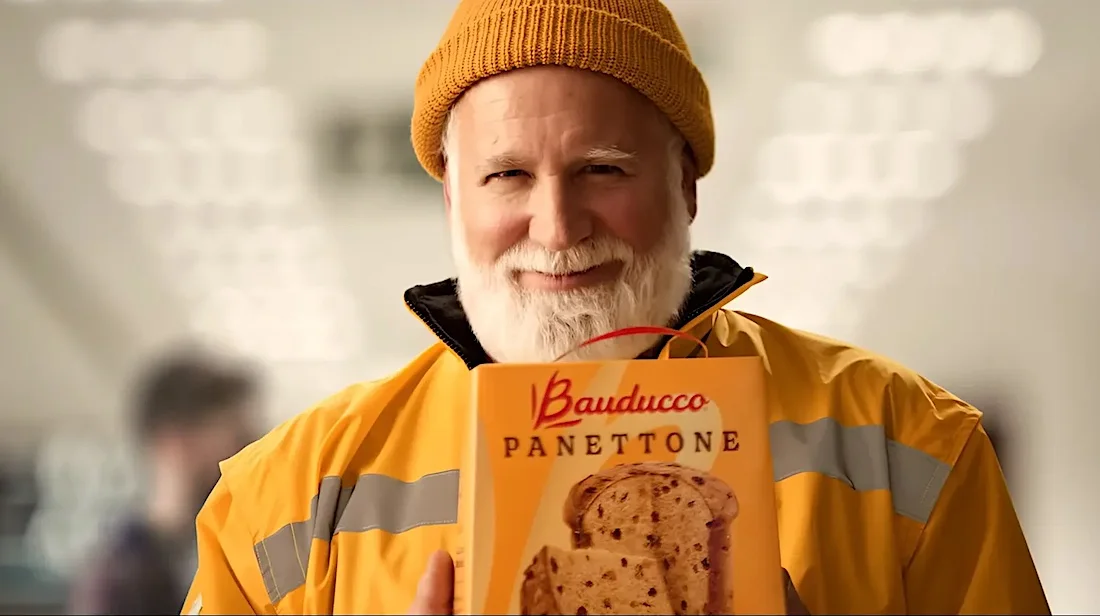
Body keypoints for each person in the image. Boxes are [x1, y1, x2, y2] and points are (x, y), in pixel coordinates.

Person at [182, 0, 1049, 614]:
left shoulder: (911, 450)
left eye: (603, 169)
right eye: (507, 175)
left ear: (684, 186)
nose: (556, 228)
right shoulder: (281, 509)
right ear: (452, 198)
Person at [69, 347, 260, 615]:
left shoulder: (234, 556)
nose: (251, 463)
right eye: (239, 443)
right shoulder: (119, 581)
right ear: (176, 443)